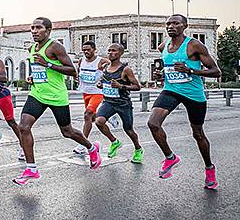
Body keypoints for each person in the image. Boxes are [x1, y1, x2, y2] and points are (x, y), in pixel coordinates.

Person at [13, 17, 102, 186]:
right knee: (23, 127)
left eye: (38, 28)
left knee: (67, 132)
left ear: (48, 30)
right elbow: (38, 69)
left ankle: (91, 148)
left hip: (56, 96)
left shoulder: (55, 47)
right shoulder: (32, 48)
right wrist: (33, 77)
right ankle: (31, 169)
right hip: (37, 94)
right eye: (32, 27)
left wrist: (48, 65)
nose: (34, 31)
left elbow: (72, 70)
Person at [147, 14, 221, 190]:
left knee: (198, 134)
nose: (171, 26)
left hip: (193, 94)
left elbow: (216, 71)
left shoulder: (194, 45)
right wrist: (162, 75)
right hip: (171, 90)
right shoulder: (163, 46)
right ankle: (170, 157)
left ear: (184, 26)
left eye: (175, 23)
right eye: (168, 24)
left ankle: (209, 168)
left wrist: (191, 71)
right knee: (153, 123)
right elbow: (168, 69)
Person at [94, 43, 144, 163]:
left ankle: (138, 149)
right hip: (108, 102)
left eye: (114, 51)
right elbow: (104, 81)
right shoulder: (106, 67)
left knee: (128, 129)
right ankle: (114, 141)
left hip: (123, 104)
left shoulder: (125, 69)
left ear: (120, 53)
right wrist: (100, 84)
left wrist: (120, 86)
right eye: (109, 50)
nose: (110, 53)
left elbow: (137, 87)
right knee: (99, 121)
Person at [73, 41, 109, 155]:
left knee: (87, 114)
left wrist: (105, 72)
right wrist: (76, 77)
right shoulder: (81, 60)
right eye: (84, 50)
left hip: (97, 92)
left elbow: (114, 66)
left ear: (94, 50)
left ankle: (83, 144)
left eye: (88, 50)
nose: (86, 52)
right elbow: (78, 72)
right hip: (86, 92)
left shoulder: (100, 61)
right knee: (92, 118)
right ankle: (107, 118)